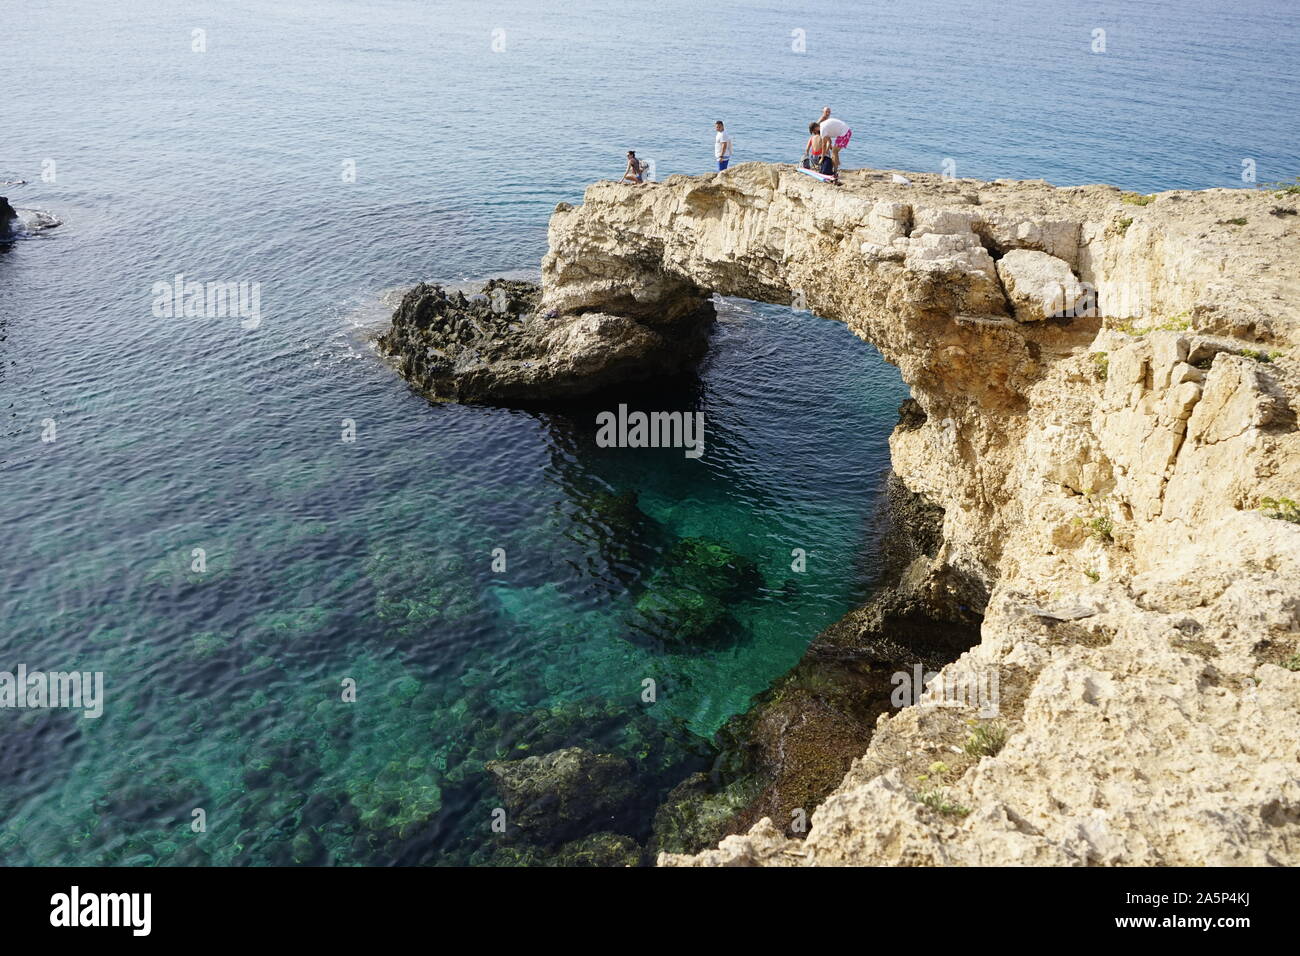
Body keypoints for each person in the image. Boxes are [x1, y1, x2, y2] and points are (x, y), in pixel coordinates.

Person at [815, 106, 852, 173]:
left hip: (842, 133)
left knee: (834, 152)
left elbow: (828, 140)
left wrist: (827, 150)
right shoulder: (821, 120)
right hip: (830, 135)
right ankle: (835, 165)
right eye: (826, 112)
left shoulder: (828, 120)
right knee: (834, 152)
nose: (828, 113)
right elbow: (818, 132)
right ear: (823, 112)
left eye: (829, 112)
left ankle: (835, 167)